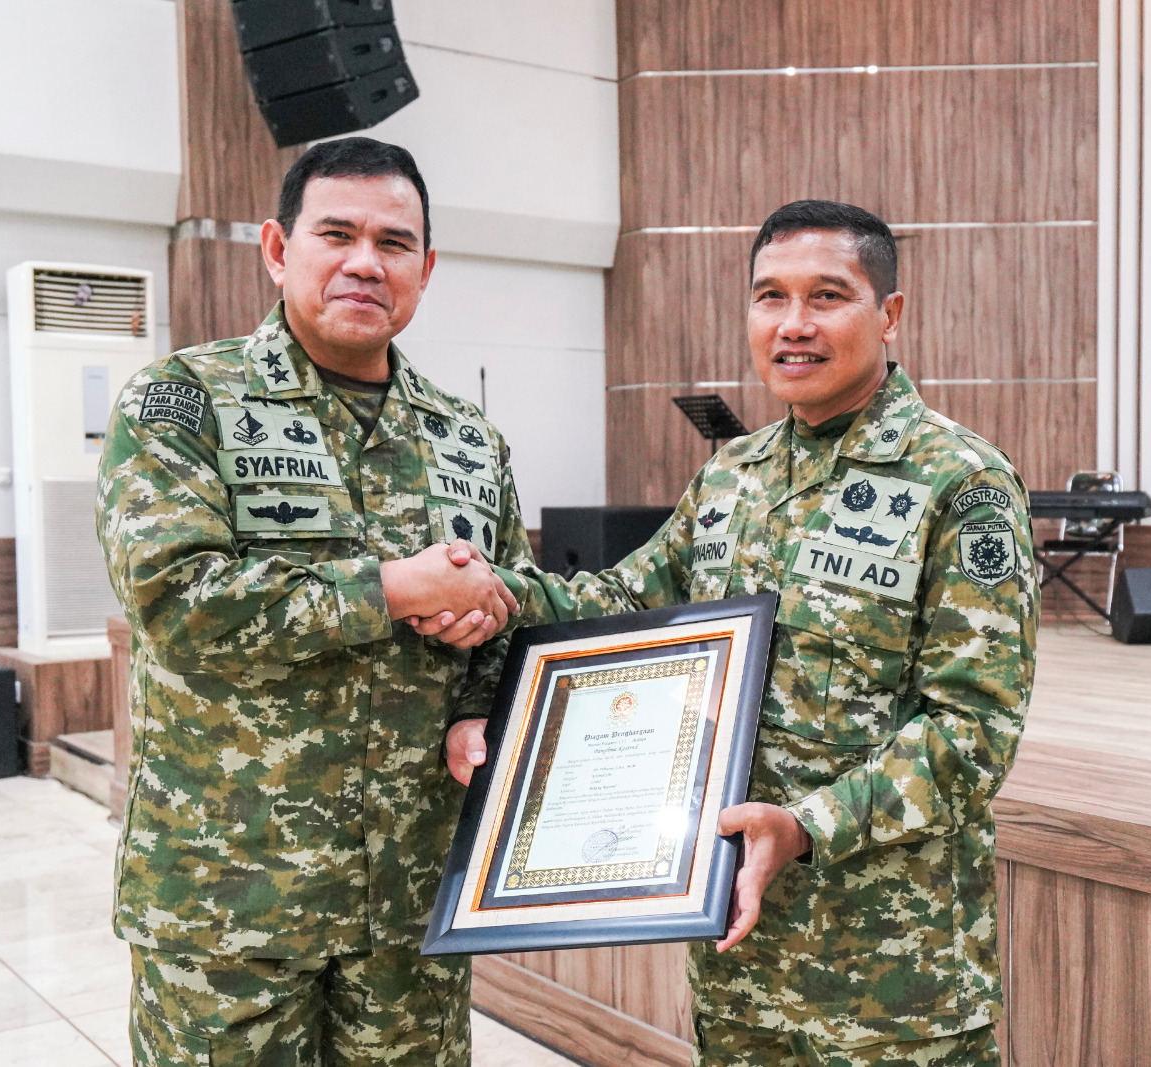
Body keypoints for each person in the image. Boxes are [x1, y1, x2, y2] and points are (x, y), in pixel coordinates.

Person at [439, 201, 1038, 1066]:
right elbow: (619, 598)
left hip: (892, 980)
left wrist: (806, 824)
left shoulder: (960, 482)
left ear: (890, 314)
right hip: (739, 961)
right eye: (770, 296)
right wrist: (489, 591)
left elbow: (974, 730)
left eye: (826, 296)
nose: (793, 324)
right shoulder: (732, 475)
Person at [97, 136, 536, 1067]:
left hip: (411, 902)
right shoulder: (185, 401)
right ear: (277, 248)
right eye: (337, 233)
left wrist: (478, 705)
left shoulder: (469, 438)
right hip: (232, 902)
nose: (365, 262)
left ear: (426, 267)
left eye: (394, 242)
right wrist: (394, 588)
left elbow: (510, 612)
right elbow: (176, 600)